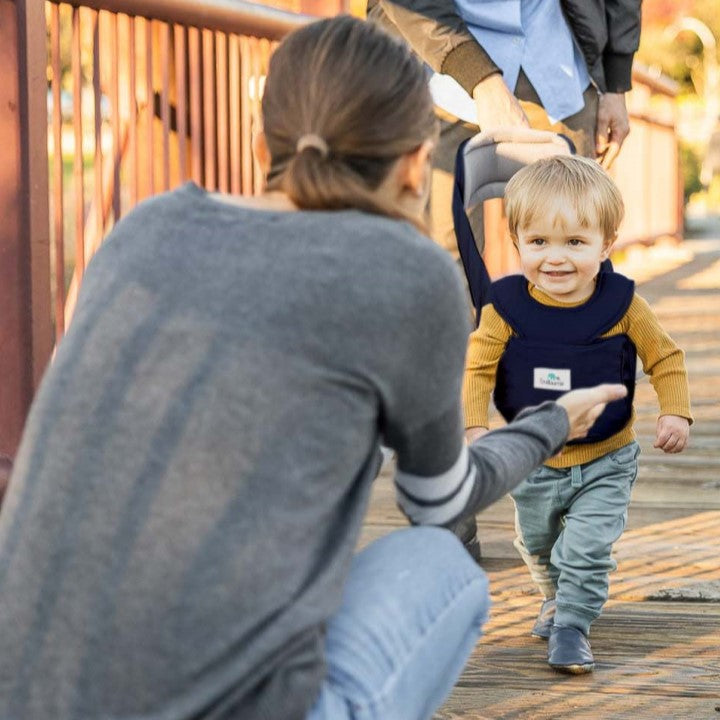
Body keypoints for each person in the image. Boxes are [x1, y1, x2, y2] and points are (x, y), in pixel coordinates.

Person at [0, 17, 626, 720]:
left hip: (28, 696)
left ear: (261, 138)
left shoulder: (145, 227)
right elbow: (438, 504)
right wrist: (547, 425)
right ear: (419, 164)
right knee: (445, 569)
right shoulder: (408, 271)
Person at [368, 0, 642, 558]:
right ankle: (448, 518)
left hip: (555, 70)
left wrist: (616, 79)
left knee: (572, 302)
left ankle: (571, 526)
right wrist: (483, 80)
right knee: (441, 306)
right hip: (433, 74)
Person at [463, 154, 693, 674]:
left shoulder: (623, 306)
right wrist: (477, 427)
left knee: (585, 549)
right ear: (517, 241)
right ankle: (553, 596)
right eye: (539, 242)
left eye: (575, 242)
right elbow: (478, 368)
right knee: (538, 543)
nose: (556, 258)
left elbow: (665, 357)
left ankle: (572, 625)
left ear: (605, 245)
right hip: (534, 459)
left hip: (607, 459)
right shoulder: (505, 309)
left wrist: (675, 413)